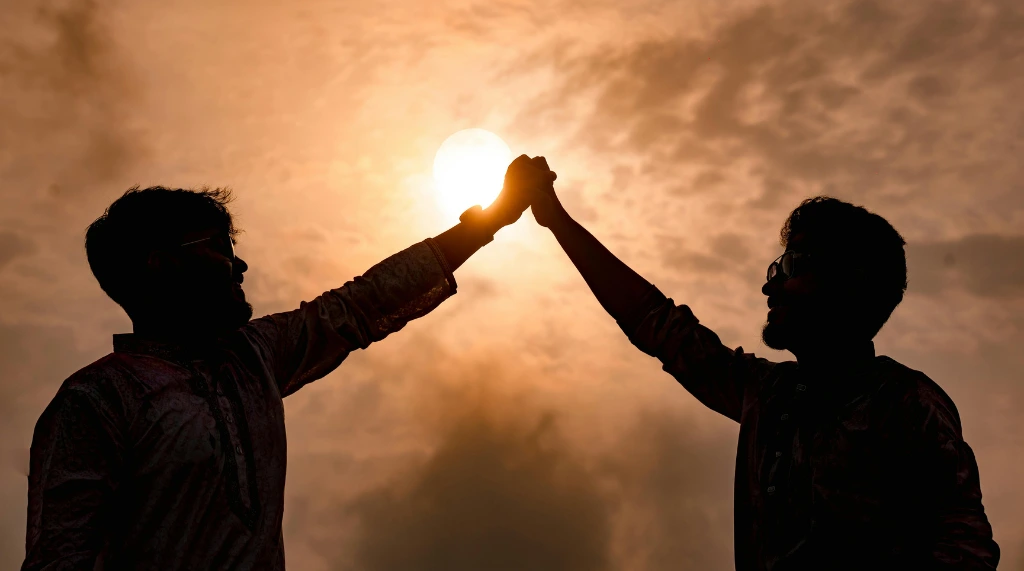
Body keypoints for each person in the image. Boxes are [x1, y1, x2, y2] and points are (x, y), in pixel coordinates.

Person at [21, 156, 555, 570]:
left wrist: (492, 218)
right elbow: (59, 557)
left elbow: (360, 304)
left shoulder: (251, 358)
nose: (240, 263)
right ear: (160, 264)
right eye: (219, 246)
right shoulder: (97, 399)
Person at [510, 156, 1000, 570]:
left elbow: (964, 547)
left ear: (850, 285)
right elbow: (657, 323)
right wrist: (556, 219)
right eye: (775, 267)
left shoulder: (905, 403)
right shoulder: (768, 393)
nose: (771, 284)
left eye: (792, 266)